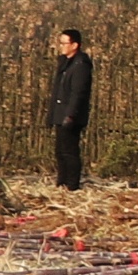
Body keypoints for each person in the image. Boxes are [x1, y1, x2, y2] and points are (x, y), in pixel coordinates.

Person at [47, 28, 94, 191]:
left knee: (70, 151)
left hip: (71, 116)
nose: (61, 46)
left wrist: (70, 115)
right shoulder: (65, 64)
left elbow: (78, 93)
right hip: (60, 114)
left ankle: (72, 185)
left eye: (64, 43)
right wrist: (52, 115)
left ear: (75, 45)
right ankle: (62, 183)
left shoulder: (81, 66)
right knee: (60, 151)